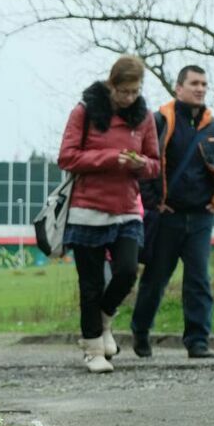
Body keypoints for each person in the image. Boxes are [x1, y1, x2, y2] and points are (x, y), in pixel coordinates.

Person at [57, 55, 160, 374]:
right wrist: (109, 158)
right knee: (89, 285)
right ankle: (92, 349)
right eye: (124, 91)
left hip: (127, 210)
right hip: (87, 210)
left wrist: (142, 165)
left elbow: (156, 163)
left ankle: (103, 321)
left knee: (127, 271)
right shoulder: (84, 111)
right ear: (111, 84)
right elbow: (67, 157)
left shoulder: (144, 118)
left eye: (135, 91)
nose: (129, 98)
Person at [131, 65, 214, 359]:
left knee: (199, 279)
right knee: (155, 279)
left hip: (200, 217)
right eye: (194, 83)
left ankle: (198, 341)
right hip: (167, 216)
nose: (200, 88)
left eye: (204, 84)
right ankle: (141, 331)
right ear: (178, 88)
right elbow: (145, 168)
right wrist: (153, 204)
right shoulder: (159, 121)